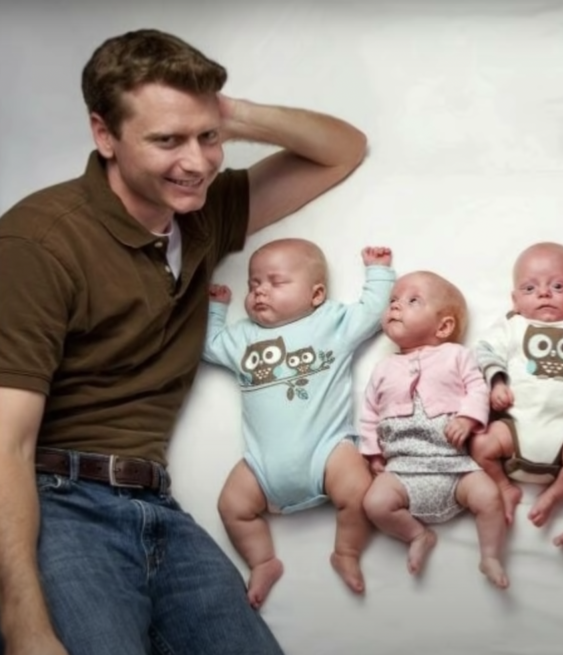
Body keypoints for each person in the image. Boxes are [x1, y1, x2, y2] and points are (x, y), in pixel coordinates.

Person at [0, 28, 366, 654]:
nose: (196, 162)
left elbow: (343, 148)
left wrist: (229, 113)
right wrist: (23, 625)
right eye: (166, 139)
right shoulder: (39, 243)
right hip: (56, 507)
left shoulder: (202, 211)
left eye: (207, 137)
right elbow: (6, 441)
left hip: (157, 508)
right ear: (104, 135)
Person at [203, 239, 393, 608]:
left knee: (359, 494)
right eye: (254, 283)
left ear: (316, 294)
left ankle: (346, 551)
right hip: (261, 465)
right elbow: (209, 346)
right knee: (231, 506)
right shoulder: (243, 337)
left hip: (328, 450)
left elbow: (372, 313)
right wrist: (216, 309)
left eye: (276, 282)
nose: (260, 291)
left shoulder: (331, 323)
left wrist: (379, 273)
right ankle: (262, 561)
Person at [359, 270, 510, 589]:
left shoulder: (456, 355)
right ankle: (417, 534)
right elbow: (369, 412)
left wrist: (468, 419)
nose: (396, 306)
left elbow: (477, 388)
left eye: (412, 301)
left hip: (455, 466)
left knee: (488, 497)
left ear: (444, 327)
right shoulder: (383, 367)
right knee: (374, 504)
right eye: (393, 301)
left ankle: (491, 556)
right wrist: (372, 452)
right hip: (402, 469)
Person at [469, 242, 563, 546]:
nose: (544, 293)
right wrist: (497, 383)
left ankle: (555, 495)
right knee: (480, 443)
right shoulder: (514, 326)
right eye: (530, 288)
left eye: (558, 286)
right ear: (515, 299)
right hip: (515, 428)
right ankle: (504, 487)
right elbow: (484, 351)